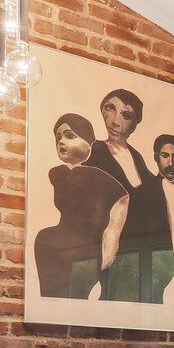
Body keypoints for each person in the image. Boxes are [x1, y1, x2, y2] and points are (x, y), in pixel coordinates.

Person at [85, 88, 174, 303]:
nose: (115, 121)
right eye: (110, 109)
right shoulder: (95, 152)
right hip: (114, 248)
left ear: (134, 125)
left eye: (125, 115)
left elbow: (150, 192)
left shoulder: (136, 156)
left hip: (141, 252)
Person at [32, 114, 127, 300]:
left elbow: (122, 198)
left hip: (87, 245)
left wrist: (112, 238)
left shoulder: (97, 175)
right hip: (59, 240)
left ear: (89, 146)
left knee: (75, 292)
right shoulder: (57, 174)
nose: (61, 141)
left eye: (70, 135)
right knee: (45, 240)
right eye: (58, 138)